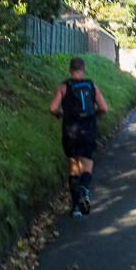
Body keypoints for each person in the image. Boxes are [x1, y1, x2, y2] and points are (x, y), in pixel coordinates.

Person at [49, 57, 108, 217]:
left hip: (70, 131)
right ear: (84, 69)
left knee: (73, 167)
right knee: (86, 166)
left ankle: (75, 207)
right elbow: (104, 108)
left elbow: (52, 108)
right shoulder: (92, 86)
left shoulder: (63, 87)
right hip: (88, 129)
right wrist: (94, 115)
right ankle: (84, 189)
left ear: (70, 69)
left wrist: (60, 114)